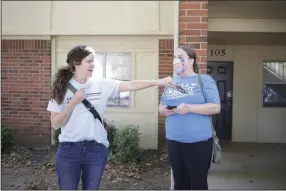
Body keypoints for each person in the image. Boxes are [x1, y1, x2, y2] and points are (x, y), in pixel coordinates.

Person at [47, 45, 173, 190]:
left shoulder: (101, 84)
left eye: (93, 61)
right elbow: (55, 124)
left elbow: (130, 85)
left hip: (95, 149)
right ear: (77, 63)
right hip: (69, 149)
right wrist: (73, 102)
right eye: (89, 61)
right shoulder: (61, 88)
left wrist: (159, 82)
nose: (93, 64)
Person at [158, 45, 221, 190]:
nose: (177, 61)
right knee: (179, 184)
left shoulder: (203, 80)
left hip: (198, 142)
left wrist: (189, 108)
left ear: (191, 61)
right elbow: (161, 105)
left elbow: (215, 107)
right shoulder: (171, 82)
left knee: (198, 184)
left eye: (181, 58)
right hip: (173, 141)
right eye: (175, 58)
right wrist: (163, 110)